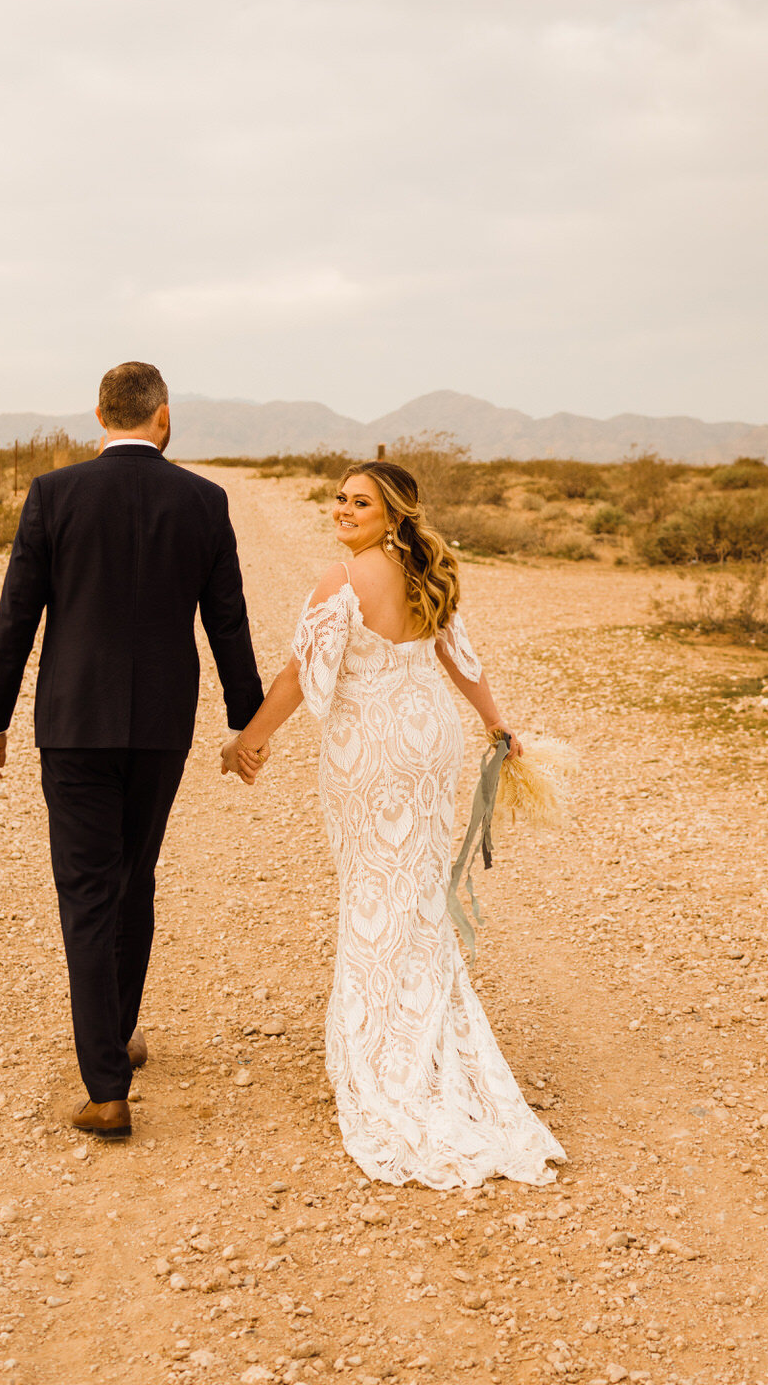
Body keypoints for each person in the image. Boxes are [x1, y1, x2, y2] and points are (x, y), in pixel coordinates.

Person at [221, 461, 566, 1188]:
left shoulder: (342, 580)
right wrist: (496, 721)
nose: (343, 510)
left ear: (393, 513)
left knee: (374, 893)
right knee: (411, 891)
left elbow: (295, 675)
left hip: (371, 744)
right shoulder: (423, 571)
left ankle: (387, 1055)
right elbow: (456, 656)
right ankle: (428, 1036)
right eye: (339, 499)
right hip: (428, 737)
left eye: (360, 503)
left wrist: (248, 740)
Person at [0, 362, 264, 1140]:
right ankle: (119, 1032)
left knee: (86, 890)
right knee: (134, 877)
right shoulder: (203, 500)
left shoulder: (54, 495)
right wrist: (248, 721)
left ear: (98, 416)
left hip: (73, 723)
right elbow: (227, 620)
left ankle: (106, 1084)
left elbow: (17, 615)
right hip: (161, 724)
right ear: (162, 417)